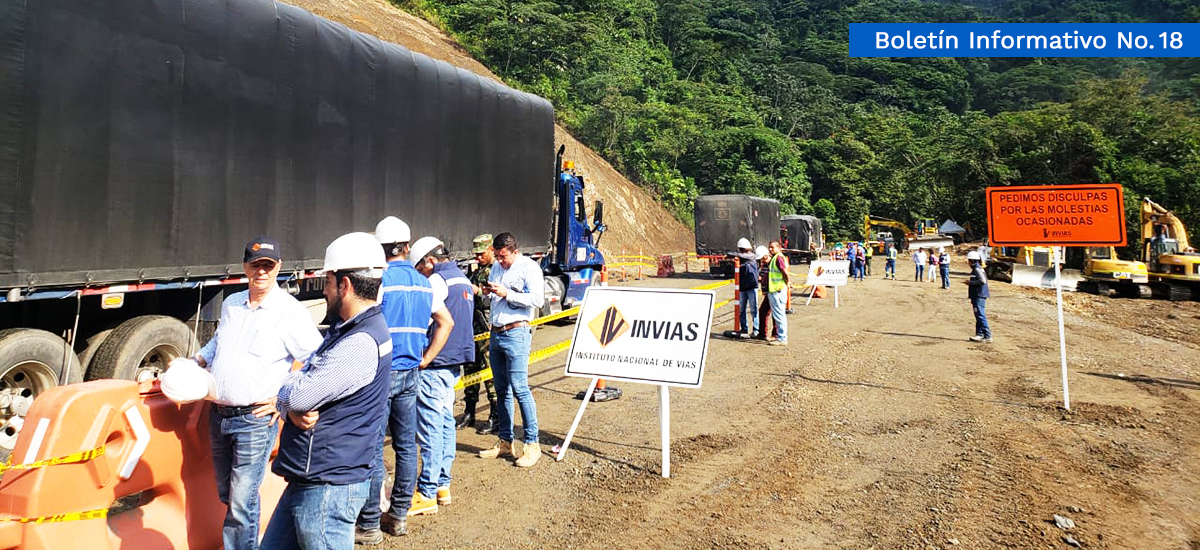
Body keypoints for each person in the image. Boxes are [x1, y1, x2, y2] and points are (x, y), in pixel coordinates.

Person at [261, 232, 391, 550]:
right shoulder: (353, 330)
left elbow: (300, 392)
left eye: (328, 282)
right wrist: (292, 402)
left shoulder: (359, 342)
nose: (326, 290)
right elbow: (305, 381)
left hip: (328, 485)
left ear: (344, 285)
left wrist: (285, 398)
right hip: (313, 477)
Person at [193, 236, 323, 550]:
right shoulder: (232, 304)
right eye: (256, 265)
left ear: (278, 267)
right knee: (229, 494)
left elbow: (316, 359)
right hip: (219, 416)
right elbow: (219, 342)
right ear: (245, 267)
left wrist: (284, 400)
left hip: (254, 419)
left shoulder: (287, 310)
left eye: (268, 265)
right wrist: (198, 359)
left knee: (241, 501)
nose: (261, 272)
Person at [353, 217, 448, 543]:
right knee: (407, 447)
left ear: (381, 249)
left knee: (373, 448)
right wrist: (426, 358)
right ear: (408, 247)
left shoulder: (380, 282)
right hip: (411, 372)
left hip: (381, 374)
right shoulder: (425, 283)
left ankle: (367, 524)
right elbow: (445, 323)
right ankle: (399, 517)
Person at [409, 237, 474, 517]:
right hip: (455, 361)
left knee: (430, 428)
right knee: (446, 423)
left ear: (430, 261)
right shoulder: (462, 278)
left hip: (435, 363)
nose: (422, 275)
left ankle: (426, 492)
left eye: (420, 269)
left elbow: (428, 320)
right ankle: (442, 485)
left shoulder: (436, 281)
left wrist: (425, 358)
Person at [478, 232, 545, 467]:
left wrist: (509, 294)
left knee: (520, 388)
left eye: (503, 256)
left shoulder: (529, 268)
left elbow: (538, 300)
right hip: (496, 332)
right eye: (496, 256)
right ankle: (505, 442)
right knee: (501, 389)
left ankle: (532, 445)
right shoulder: (496, 268)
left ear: (515, 251)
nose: (499, 260)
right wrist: (489, 294)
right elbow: (494, 300)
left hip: (517, 332)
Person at [462, 233, 498, 434]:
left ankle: (495, 414)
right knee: (470, 369)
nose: (477, 257)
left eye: (481, 253)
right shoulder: (477, 271)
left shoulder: (496, 271)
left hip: (487, 329)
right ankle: (470, 411)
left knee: (489, 372)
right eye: (475, 254)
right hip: (473, 328)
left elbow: (493, 298)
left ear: (491, 249)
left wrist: (477, 291)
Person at [730, 237, 759, 338]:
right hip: (742, 288)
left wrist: (729, 254)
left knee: (754, 310)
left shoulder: (751, 257)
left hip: (751, 287)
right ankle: (744, 329)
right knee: (741, 310)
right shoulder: (741, 259)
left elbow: (738, 255)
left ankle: (756, 330)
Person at [765, 241, 791, 346]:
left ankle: (782, 338)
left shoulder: (778, 258)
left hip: (778, 290)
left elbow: (785, 272)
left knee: (779, 315)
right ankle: (781, 337)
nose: (770, 249)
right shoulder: (775, 258)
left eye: (772, 247)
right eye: (769, 247)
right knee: (778, 315)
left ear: (779, 247)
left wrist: (788, 282)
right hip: (775, 290)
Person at [964, 250, 992, 343]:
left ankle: (987, 336)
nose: (968, 263)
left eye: (968, 261)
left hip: (979, 295)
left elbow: (982, 281)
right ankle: (979, 334)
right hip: (977, 295)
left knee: (980, 315)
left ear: (972, 261)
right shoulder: (977, 269)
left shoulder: (977, 269)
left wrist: (970, 283)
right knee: (978, 315)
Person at [754, 246, 776, 341]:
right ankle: (762, 333)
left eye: (763, 259)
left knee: (775, 314)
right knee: (763, 312)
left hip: (774, 293)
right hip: (768, 293)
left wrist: (762, 279)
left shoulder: (773, 264)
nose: (762, 261)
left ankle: (776, 334)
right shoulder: (765, 266)